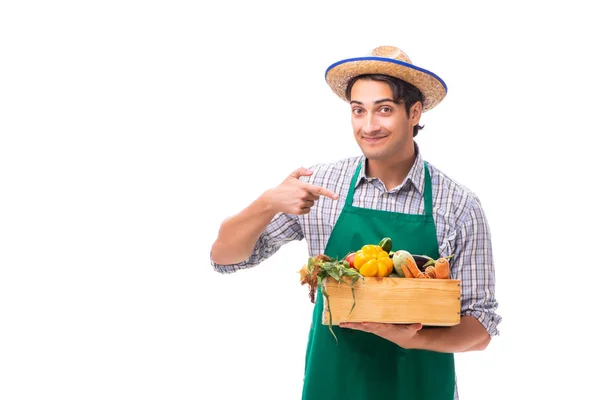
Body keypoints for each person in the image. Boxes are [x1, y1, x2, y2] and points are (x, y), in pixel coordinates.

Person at [210, 45, 501, 400]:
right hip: (332, 386)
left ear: (414, 112)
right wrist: (268, 201)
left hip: (421, 388)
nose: (369, 126)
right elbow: (224, 257)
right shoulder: (322, 187)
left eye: (384, 110)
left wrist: (415, 338)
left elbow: (481, 326)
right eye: (358, 111)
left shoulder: (458, 205)